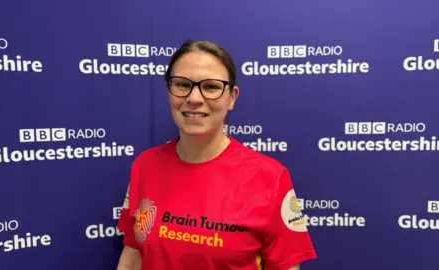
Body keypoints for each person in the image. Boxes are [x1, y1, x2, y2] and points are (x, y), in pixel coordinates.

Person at [116, 40, 317, 270]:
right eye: (182, 85)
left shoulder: (270, 177)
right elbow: (132, 259)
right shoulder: (145, 166)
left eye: (211, 87)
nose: (194, 98)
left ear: (232, 97)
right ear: (168, 91)